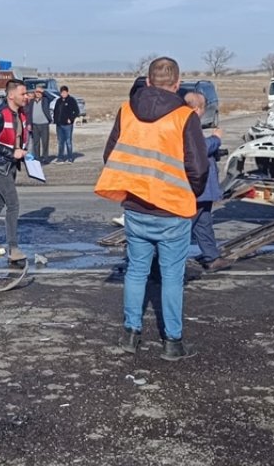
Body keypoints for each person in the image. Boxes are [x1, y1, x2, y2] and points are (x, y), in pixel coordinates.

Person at [96, 57, 209, 361]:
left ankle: (131, 335)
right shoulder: (185, 116)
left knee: (136, 272)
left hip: (136, 206)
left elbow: (112, 155)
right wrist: (189, 192)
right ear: (177, 83)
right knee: (172, 277)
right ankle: (172, 342)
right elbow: (199, 168)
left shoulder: (126, 111)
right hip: (172, 210)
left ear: (147, 81)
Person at [0, 79, 32, 264]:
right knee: (13, 204)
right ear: (11, 95)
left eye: (26, 94)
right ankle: (13, 248)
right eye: (23, 94)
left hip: (10, 165)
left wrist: (23, 153)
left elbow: (18, 139)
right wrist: (12, 152)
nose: (26, 97)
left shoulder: (21, 114)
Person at [183, 91, 225, 269]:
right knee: (185, 227)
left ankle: (211, 257)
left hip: (203, 187)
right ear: (198, 108)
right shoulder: (189, 123)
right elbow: (199, 149)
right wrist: (216, 139)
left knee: (204, 222)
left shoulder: (185, 121)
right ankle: (169, 263)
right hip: (198, 185)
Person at [53, 85, 81, 163]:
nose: (63, 94)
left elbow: (76, 111)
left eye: (64, 92)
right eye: (62, 93)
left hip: (68, 125)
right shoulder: (58, 101)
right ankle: (60, 158)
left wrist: (71, 119)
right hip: (59, 125)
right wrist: (55, 120)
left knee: (68, 142)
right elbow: (55, 111)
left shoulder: (71, 100)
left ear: (67, 92)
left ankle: (70, 158)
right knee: (60, 142)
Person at [28, 85, 53, 162]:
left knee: (45, 142)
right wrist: (29, 124)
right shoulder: (31, 101)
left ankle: (45, 158)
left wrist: (43, 91)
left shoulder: (45, 100)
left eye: (39, 92)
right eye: (36, 92)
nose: (38, 93)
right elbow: (30, 113)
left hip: (44, 124)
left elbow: (52, 97)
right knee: (36, 142)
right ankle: (37, 158)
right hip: (35, 125)